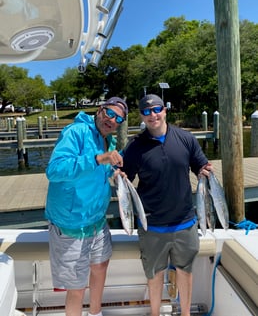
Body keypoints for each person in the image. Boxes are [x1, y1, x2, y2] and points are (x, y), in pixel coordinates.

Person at [121, 94, 212, 316]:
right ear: (141, 116)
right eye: (146, 111)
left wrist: (204, 171)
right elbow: (126, 177)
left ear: (165, 111)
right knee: (154, 275)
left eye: (156, 110)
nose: (152, 115)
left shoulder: (186, 138)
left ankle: (186, 314)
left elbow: (200, 164)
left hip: (185, 222)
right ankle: (154, 313)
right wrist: (118, 176)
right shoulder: (134, 146)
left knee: (185, 271)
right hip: (151, 225)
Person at [45, 97, 128, 316]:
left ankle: (95, 313)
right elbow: (54, 170)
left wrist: (114, 172)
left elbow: (100, 170)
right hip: (71, 225)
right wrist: (99, 159)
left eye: (118, 118)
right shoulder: (76, 132)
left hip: (97, 222)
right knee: (77, 287)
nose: (112, 120)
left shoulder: (107, 140)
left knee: (100, 267)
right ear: (100, 110)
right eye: (110, 113)